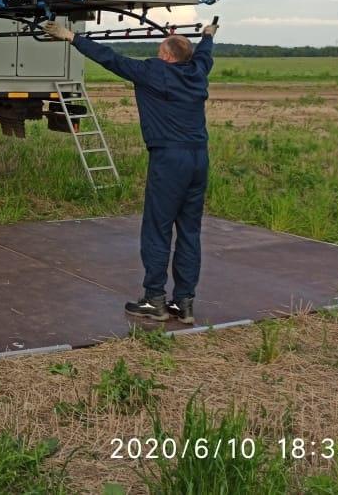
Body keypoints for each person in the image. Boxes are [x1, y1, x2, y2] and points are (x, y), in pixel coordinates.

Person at [41, 18, 220, 324]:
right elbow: (204, 55)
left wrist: (70, 36)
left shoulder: (154, 72)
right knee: (189, 231)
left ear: (166, 57)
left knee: (158, 228)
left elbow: (111, 58)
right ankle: (185, 304)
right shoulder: (197, 72)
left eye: (161, 48)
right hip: (198, 159)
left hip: (169, 159)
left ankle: (155, 300)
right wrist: (207, 36)